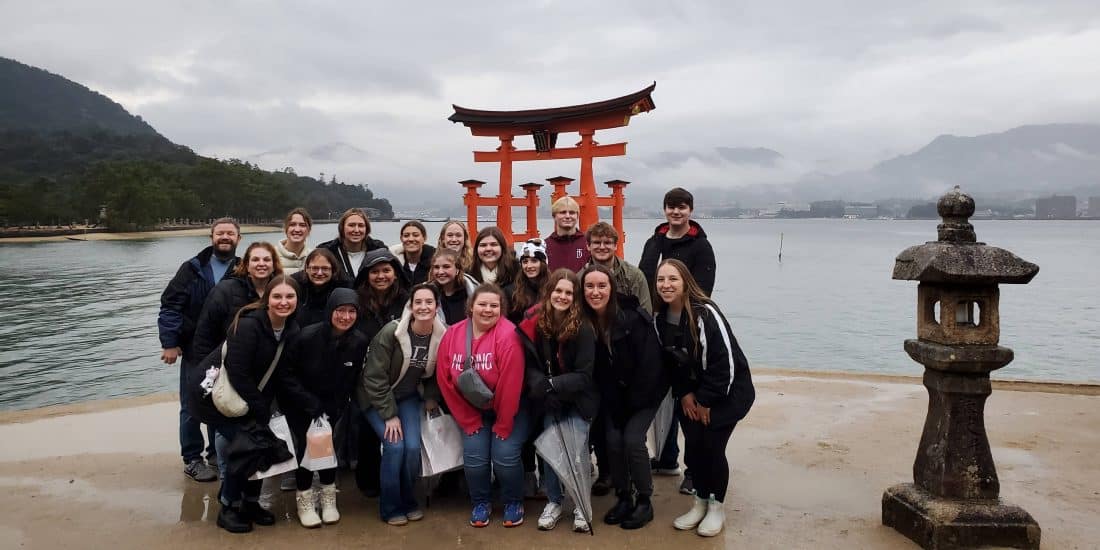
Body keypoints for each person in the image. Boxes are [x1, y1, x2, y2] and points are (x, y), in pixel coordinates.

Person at [205, 275, 314, 534]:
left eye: (290, 297)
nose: (283, 302)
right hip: (230, 399)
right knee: (246, 449)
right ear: (267, 299)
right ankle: (228, 506)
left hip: (259, 400)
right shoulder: (248, 326)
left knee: (263, 448)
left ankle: (250, 504)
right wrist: (259, 406)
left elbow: (285, 370)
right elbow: (237, 371)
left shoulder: (292, 328)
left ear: (298, 300)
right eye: (277, 296)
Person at [654, 259, 754, 538]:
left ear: (685, 281)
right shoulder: (660, 318)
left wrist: (706, 401)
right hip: (691, 393)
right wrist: (684, 393)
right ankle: (698, 502)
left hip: (727, 394)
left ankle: (716, 507)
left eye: (672, 279)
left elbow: (726, 363)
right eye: (661, 280)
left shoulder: (706, 313)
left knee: (712, 449)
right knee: (695, 448)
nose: (666, 285)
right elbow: (671, 363)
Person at [638, 187, 717, 490]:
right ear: (664, 210)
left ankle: (694, 471)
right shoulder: (654, 241)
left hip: (687, 328)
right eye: (671, 207)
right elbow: (644, 279)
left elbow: (703, 290)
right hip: (657, 326)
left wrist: (688, 321)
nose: (676, 212)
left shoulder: (701, 247)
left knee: (688, 399)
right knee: (663, 396)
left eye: (682, 207)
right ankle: (667, 456)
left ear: (690, 210)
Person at [580, 264, 669, 530]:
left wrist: (632, 403)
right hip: (614, 396)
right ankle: (623, 495)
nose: (595, 292)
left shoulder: (633, 318)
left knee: (632, 440)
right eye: (589, 286)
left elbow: (651, 366)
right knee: (612, 441)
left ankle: (644, 499)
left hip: (645, 392)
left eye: (602, 286)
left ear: (613, 289)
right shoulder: (585, 323)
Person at [436, 284, 528, 528]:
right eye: (482, 304)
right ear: (471, 307)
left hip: (509, 410)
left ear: (502, 310)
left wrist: (504, 424)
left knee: (504, 455)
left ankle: (512, 501)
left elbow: (511, 385)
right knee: (475, 456)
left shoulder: (508, 336)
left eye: (494, 306)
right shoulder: (453, 334)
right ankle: (480, 502)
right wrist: (468, 420)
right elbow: (445, 380)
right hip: (472, 410)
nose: (487, 310)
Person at [158, 217, 241, 482]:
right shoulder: (192, 269)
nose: (225, 237)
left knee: (222, 400)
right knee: (192, 404)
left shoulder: (243, 269)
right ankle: (192, 458)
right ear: (211, 238)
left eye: (230, 233)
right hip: (195, 348)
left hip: (229, 350)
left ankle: (215, 452)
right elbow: (171, 305)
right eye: (220, 233)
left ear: (238, 239)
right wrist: (170, 342)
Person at [516, 269, 598, 533]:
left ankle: (581, 504)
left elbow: (585, 375)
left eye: (568, 293)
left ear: (575, 298)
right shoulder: (539, 323)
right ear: (548, 293)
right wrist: (540, 385)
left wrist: (552, 385)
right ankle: (554, 499)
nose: (562, 296)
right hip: (548, 398)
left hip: (577, 399)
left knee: (576, 453)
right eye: (557, 291)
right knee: (551, 453)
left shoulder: (584, 327)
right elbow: (530, 363)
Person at [360, 283, 447, 526]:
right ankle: (390, 506)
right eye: (417, 302)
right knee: (394, 446)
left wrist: (431, 397)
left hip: (408, 396)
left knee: (411, 449)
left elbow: (438, 374)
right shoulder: (392, 332)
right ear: (410, 306)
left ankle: (408, 500)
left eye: (429, 302)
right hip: (376, 397)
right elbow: (373, 377)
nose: (423, 307)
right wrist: (389, 415)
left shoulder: (441, 335)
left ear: (437, 307)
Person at [283, 287, 367, 528]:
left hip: (335, 407)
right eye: (340, 310)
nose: (346, 317)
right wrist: (309, 403)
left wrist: (339, 405)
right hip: (302, 405)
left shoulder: (359, 341)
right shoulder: (305, 337)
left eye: (351, 311)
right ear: (331, 310)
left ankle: (328, 498)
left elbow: (354, 378)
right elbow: (287, 375)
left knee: (329, 452)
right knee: (305, 452)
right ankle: (305, 499)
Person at [352, 248, 409, 497]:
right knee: (366, 434)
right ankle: (368, 481)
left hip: (399, 378)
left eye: (386, 270)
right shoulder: (356, 302)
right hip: (363, 381)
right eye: (374, 272)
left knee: (398, 436)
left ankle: (401, 480)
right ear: (366, 275)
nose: (381, 276)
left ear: (395, 273)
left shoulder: (407, 301)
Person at [191, 242, 283, 365]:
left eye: (267, 259)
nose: (261, 264)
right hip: (228, 365)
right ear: (246, 265)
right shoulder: (225, 291)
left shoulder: (282, 292)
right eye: (255, 259)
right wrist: (208, 370)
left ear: (274, 265)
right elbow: (204, 336)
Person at [584, 222, 652, 313]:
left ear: (615, 246)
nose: (602, 247)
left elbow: (646, 314)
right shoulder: (580, 278)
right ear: (588, 246)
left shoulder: (634, 276)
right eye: (597, 242)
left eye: (607, 242)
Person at [317, 208, 386, 280]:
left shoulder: (378, 249)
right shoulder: (327, 251)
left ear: (367, 229)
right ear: (342, 228)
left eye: (361, 225)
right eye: (351, 225)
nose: (356, 230)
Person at [290, 249, 351, 327]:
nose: (319, 273)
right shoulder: (294, 283)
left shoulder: (345, 285)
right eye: (315, 268)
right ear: (306, 269)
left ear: (333, 270)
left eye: (325, 268)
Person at [428, 248, 478, 326]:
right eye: (436, 267)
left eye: (446, 267)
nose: (440, 272)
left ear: (457, 270)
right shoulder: (427, 293)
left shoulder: (475, 292)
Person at [505, 238, 548, 325]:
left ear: (543, 263)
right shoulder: (510, 291)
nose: (529, 266)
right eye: (525, 262)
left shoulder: (552, 288)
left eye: (534, 261)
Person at [544, 197, 589, 272]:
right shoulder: (545, 245)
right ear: (554, 216)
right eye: (562, 212)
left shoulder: (588, 243)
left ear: (577, 216)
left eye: (572, 213)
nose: (567, 216)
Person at [389, 220, 436, 286]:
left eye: (416, 235)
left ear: (424, 238)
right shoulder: (394, 263)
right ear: (401, 238)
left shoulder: (435, 263)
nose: (411, 239)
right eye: (406, 235)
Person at [275, 208, 312, 274]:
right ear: (286, 229)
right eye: (292, 224)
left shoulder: (313, 256)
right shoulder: (272, 255)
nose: (297, 230)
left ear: (309, 230)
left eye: (302, 225)